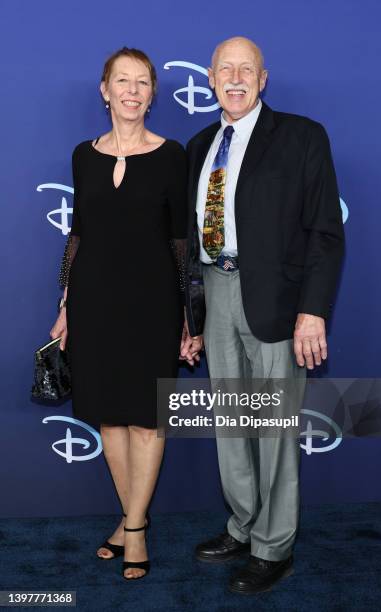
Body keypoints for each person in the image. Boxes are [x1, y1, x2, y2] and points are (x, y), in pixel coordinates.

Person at [182, 36, 345, 594]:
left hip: (276, 301)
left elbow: (325, 232)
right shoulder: (200, 143)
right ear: (209, 77)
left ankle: (275, 547)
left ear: (263, 78)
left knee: (272, 429)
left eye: (245, 69)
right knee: (233, 423)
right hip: (215, 290)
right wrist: (192, 317)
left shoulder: (302, 137)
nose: (235, 78)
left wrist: (312, 312)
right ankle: (244, 526)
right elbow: (187, 240)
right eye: (225, 69)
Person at [50, 47, 198, 580]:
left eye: (142, 83)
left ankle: (133, 528)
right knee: (110, 417)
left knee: (147, 419)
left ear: (153, 94)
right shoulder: (82, 155)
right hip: (93, 302)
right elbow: (78, 235)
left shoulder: (171, 154)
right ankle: (133, 519)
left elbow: (182, 242)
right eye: (122, 81)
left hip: (154, 304)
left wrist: (189, 315)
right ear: (104, 89)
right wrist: (65, 302)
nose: (132, 91)